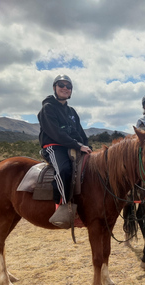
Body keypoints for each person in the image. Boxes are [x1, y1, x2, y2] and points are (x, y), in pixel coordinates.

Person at [38, 75, 92, 229]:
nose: (65, 88)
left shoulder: (72, 112)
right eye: (61, 84)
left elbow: (80, 133)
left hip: (73, 146)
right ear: (55, 87)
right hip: (54, 146)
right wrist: (77, 145)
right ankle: (63, 207)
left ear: (71, 91)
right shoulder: (47, 108)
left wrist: (87, 147)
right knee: (64, 170)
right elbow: (55, 132)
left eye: (68, 86)